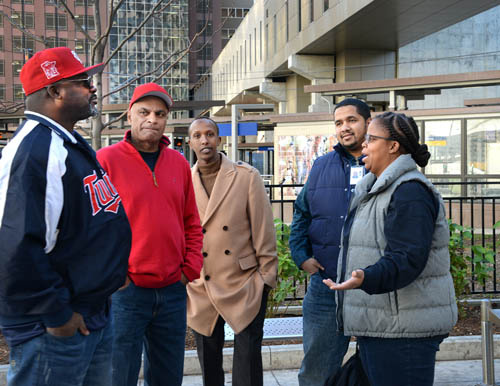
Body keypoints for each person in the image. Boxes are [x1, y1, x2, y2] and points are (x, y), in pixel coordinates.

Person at [0, 47, 132, 386]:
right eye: (83, 81)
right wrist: (56, 314)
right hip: (54, 327)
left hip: (90, 313)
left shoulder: (65, 141)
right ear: (55, 91)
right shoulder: (36, 151)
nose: (92, 88)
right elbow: (14, 247)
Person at [323, 111, 458, 386]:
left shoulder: (410, 191)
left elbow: (408, 257)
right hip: (384, 327)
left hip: (403, 334)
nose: (364, 144)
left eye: (371, 139)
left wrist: (366, 277)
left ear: (393, 146)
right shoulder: (376, 188)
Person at [96, 83, 204, 386]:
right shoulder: (105, 160)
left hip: (172, 289)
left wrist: (189, 269)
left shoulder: (180, 163)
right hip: (125, 292)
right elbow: (96, 228)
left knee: (168, 377)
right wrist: (116, 276)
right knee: (120, 375)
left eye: (160, 113)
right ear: (130, 115)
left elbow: (191, 223)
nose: (152, 119)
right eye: (144, 112)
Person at [186, 117, 278, 386]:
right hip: (201, 282)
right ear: (190, 142)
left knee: (248, 360)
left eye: (210, 134)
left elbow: (264, 229)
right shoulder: (183, 180)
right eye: (198, 136)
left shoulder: (246, 176)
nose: (205, 140)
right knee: (208, 359)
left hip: (245, 281)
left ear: (219, 139)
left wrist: (266, 277)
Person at [288, 98, 371, 385]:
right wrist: (301, 255)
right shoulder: (322, 166)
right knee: (316, 369)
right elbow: (302, 212)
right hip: (327, 285)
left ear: (368, 123)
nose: (345, 128)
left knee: (377, 367)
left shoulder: (384, 164)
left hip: (374, 287)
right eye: (339, 123)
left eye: (352, 120)